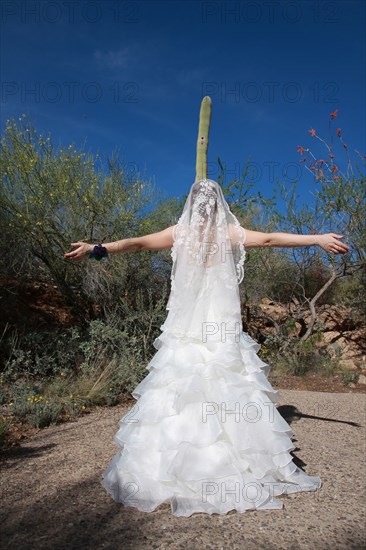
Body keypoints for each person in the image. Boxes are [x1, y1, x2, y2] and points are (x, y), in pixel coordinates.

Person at [63, 179, 349, 517]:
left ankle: (184, 462)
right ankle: (226, 462)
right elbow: (271, 239)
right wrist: (316, 238)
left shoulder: (179, 232)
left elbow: (137, 244)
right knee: (227, 380)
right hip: (218, 324)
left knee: (181, 383)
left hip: (187, 325)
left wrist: (97, 248)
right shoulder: (227, 232)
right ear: (219, 204)